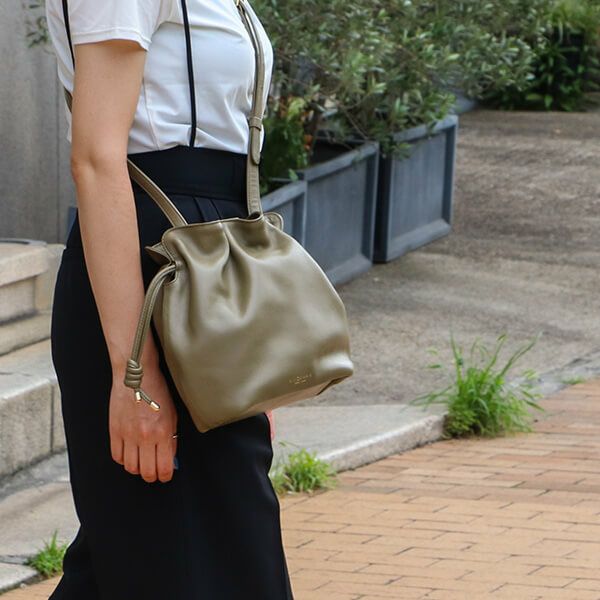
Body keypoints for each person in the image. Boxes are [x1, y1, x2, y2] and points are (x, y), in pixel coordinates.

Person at [44, 0, 294, 597]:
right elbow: (96, 159)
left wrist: (251, 360)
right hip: (151, 278)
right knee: (202, 558)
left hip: (211, 272)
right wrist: (136, 373)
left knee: (150, 559)